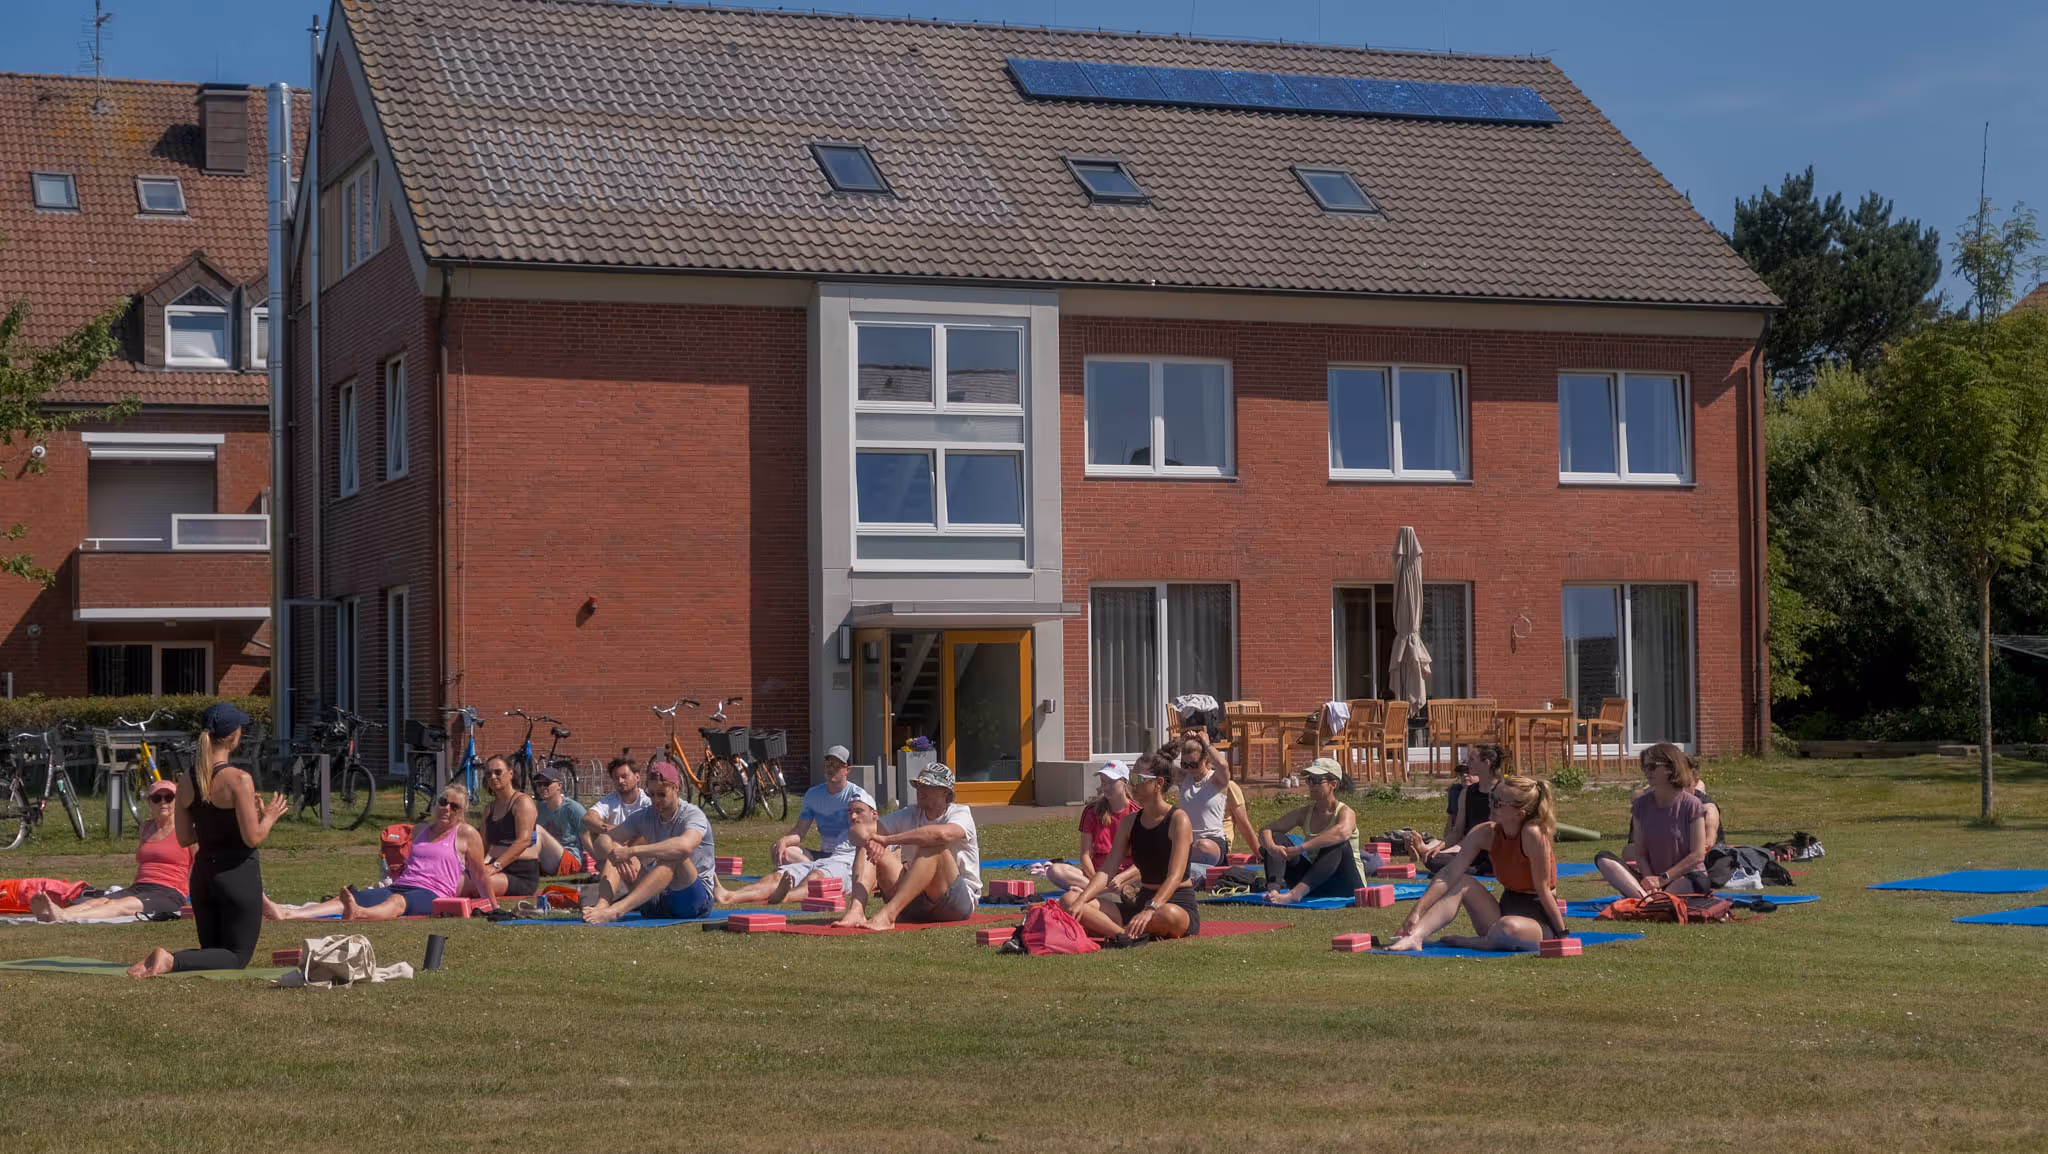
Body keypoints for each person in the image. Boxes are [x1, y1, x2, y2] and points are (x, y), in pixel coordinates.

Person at [127, 703, 289, 978]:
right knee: (236, 958)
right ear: (234, 736)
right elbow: (253, 838)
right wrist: (270, 816)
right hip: (237, 877)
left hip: (203, 879)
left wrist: (222, 821)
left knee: (214, 954)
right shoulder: (239, 779)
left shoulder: (187, 780)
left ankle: (168, 960)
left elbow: (185, 837)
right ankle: (169, 960)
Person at [1387, 775, 1566, 952]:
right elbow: (1450, 873)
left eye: (1498, 803)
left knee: (1507, 926)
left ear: (1519, 813)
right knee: (1462, 882)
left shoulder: (1533, 834)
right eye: (1492, 798)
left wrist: (1562, 933)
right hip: (1505, 910)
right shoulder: (1485, 832)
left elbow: (1543, 890)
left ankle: (1478, 942)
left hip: (1538, 919)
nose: (1491, 804)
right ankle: (1415, 938)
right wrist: (1417, 911)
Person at [265, 785, 493, 921]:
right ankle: (288, 914)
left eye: (455, 807)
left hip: (434, 894)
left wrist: (494, 907)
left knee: (397, 901)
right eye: (443, 802)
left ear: (462, 813)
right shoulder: (421, 829)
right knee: (351, 898)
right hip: (402, 883)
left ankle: (361, 914)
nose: (447, 809)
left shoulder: (466, 834)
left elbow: (480, 875)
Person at [1061, 751, 1199, 941]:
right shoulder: (1130, 822)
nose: (1133, 784)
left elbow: (1175, 876)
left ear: (1159, 783)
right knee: (1069, 900)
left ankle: (1115, 930)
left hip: (1172, 903)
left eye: (1139, 778)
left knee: (1169, 914)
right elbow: (1107, 870)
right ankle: (1124, 936)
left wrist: (1152, 908)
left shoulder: (1178, 819)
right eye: (1132, 777)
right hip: (1140, 903)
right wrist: (1082, 900)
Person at [712, 745, 865, 907]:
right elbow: (800, 830)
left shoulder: (859, 797)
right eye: (828, 764)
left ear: (847, 770)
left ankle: (785, 897)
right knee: (776, 877)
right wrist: (783, 841)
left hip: (847, 860)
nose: (830, 769)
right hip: (821, 857)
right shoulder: (813, 794)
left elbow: (872, 835)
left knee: (815, 877)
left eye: (836, 765)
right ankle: (730, 896)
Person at [835, 763, 981, 931]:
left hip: (954, 904)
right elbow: (857, 832)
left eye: (927, 786)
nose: (920, 790)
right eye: (919, 785)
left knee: (933, 846)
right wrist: (872, 840)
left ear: (945, 792)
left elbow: (941, 835)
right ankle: (856, 911)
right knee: (868, 843)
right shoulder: (910, 813)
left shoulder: (960, 814)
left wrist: (887, 839)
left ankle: (888, 916)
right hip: (915, 902)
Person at [34, 779, 192, 922]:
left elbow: (200, 866)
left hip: (168, 893)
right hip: (140, 886)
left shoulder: (187, 829)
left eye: (169, 798)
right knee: (99, 901)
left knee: (121, 905)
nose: (163, 802)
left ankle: (64, 916)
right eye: (157, 798)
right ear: (150, 803)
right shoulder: (146, 828)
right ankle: (56, 913)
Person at [582, 763, 717, 923]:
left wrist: (632, 851)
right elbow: (604, 839)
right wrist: (615, 849)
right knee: (618, 851)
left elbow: (684, 845)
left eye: (661, 794)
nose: (655, 800)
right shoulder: (646, 815)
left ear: (676, 789)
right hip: (658, 900)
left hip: (694, 904)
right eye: (651, 794)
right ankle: (602, 905)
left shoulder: (693, 815)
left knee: (673, 855)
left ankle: (616, 911)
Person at [1597, 743, 1712, 898]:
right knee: (1604, 859)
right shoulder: (1641, 805)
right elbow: (1640, 854)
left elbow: (1697, 855)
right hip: (1651, 880)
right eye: (1644, 767)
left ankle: (1648, 899)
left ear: (1671, 767)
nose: (1647, 772)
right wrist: (1649, 880)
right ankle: (1653, 899)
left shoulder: (1692, 805)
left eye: (1652, 766)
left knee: (1698, 880)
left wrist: (1662, 879)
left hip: (1684, 877)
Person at [1258, 758, 1373, 905]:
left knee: (1338, 843)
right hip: (1317, 884)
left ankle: (1295, 893)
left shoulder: (1345, 812)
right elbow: (1266, 830)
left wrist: (1301, 848)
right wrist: (1272, 847)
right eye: (1309, 780)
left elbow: (1342, 833)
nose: (1311, 785)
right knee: (1276, 837)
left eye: (1317, 780)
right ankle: (1273, 892)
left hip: (1348, 885)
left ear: (1333, 784)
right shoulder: (1305, 813)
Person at [1044, 761, 1140, 893]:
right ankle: (1102, 892)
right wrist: (1097, 881)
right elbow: (1085, 856)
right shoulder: (1092, 811)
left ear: (1125, 782)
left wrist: (1121, 878)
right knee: (1054, 870)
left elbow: (1143, 862)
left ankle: (1091, 892)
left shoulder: (1138, 813)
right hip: (1098, 874)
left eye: (1111, 782)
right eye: (1103, 782)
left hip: (1127, 876)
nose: (1106, 787)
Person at [1174, 729, 1257, 866]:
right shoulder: (1184, 779)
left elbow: (1223, 765)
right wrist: (1181, 742)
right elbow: (1161, 763)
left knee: (1202, 846)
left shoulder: (1216, 780)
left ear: (1206, 758)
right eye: (1185, 764)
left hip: (1212, 842)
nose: (1189, 769)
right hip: (1186, 841)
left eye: (1194, 764)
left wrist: (1207, 744)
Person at [467, 756, 540, 898]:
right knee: (456, 879)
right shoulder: (489, 808)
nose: (493, 777)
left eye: (498, 772)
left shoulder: (522, 802)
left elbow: (523, 841)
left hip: (520, 874)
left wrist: (495, 866)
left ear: (511, 773)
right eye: (488, 774)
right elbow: (482, 845)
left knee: (475, 885)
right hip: (497, 868)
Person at [1431, 743, 1508, 876]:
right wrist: (1439, 847)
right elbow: (1457, 831)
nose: (1468, 763)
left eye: (1472, 759)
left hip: (1498, 851)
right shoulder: (1467, 793)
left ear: (1486, 763)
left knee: (1440, 866)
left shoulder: (1504, 791)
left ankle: (1475, 869)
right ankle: (1475, 870)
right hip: (1472, 852)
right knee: (1432, 859)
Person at [582, 756, 652, 885]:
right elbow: (588, 818)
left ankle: (613, 868)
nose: (620, 781)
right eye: (615, 778)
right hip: (615, 854)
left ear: (637, 777)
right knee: (598, 835)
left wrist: (622, 845)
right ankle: (619, 864)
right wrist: (610, 829)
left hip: (638, 854)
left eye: (624, 776)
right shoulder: (611, 800)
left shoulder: (648, 801)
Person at [532, 767, 587, 875]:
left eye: (546, 783)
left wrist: (601, 863)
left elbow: (588, 838)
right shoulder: (539, 809)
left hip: (569, 861)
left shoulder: (572, 808)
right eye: (539, 784)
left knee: (538, 831)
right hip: (547, 860)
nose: (542, 787)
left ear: (559, 786)